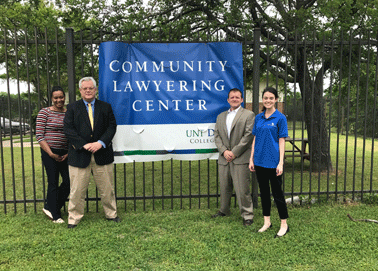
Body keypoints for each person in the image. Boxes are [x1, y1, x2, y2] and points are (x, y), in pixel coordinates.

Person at [63, 76, 120, 228]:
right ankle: (74, 218)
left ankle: (111, 214)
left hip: (102, 154)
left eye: (91, 88)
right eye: (85, 88)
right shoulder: (72, 108)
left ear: (95, 90)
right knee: (77, 190)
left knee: (107, 189)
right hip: (80, 154)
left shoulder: (105, 107)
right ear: (80, 90)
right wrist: (84, 145)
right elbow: (68, 129)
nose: (88, 91)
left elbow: (112, 127)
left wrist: (100, 143)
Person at [249, 87, 289, 238]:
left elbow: (282, 140)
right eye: (265, 98)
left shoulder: (280, 118)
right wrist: (251, 158)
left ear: (276, 100)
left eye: (271, 98)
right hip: (259, 161)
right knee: (264, 193)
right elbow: (255, 139)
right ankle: (267, 222)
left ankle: (284, 224)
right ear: (262, 99)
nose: (268, 100)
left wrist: (280, 163)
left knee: (277, 193)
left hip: (273, 162)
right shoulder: (258, 118)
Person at [212, 88, 255, 226]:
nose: (234, 99)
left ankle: (247, 215)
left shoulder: (249, 115)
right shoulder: (220, 116)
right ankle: (224, 210)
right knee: (224, 187)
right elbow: (217, 136)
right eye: (232, 97)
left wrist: (234, 152)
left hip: (240, 158)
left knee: (242, 189)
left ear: (242, 100)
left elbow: (248, 136)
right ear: (228, 100)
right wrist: (224, 151)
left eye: (237, 97)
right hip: (224, 158)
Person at [36, 86, 70, 224]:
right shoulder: (44, 113)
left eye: (61, 97)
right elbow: (39, 135)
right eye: (56, 97)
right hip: (49, 152)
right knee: (53, 182)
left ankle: (50, 206)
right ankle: (56, 215)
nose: (59, 100)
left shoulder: (69, 113)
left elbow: (73, 134)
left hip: (66, 153)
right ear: (51, 98)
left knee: (69, 182)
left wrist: (68, 152)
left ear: (64, 97)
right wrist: (50, 153)